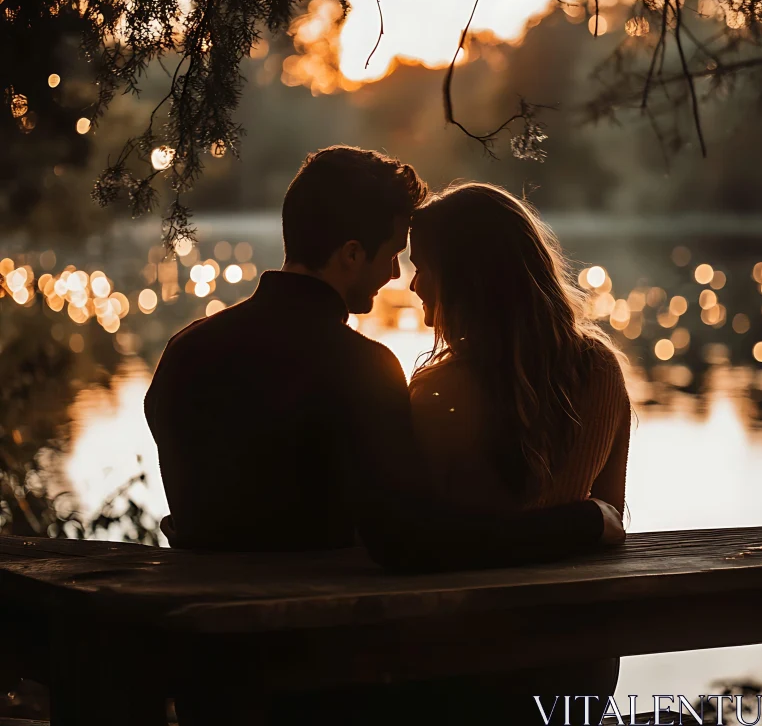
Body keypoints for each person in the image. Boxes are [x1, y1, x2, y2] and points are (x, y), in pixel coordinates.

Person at [147, 146, 625, 569]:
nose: (398, 275)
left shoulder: (185, 350)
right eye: (394, 255)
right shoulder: (359, 367)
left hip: (201, 646)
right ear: (352, 254)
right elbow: (415, 541)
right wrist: (581, 521)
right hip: (319, 641)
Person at [406, 182, 632, 723]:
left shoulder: (438, 390)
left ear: (466, 277)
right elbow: (610, 523)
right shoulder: (601, 370)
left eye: (423, 267)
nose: (413, 284)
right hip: (582, 661)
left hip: (473, 661)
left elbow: (438, 540)